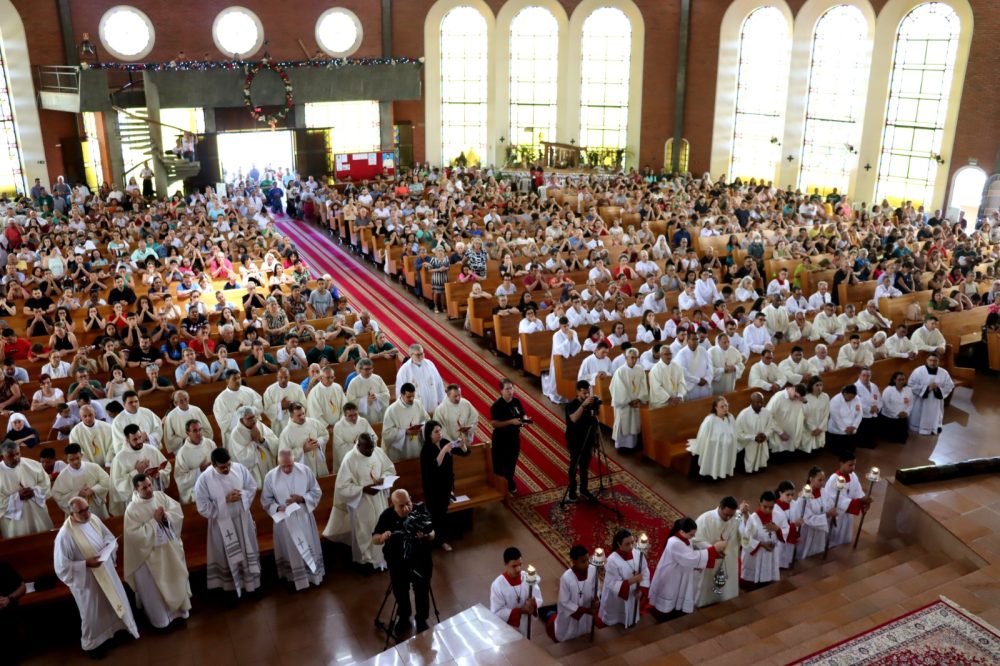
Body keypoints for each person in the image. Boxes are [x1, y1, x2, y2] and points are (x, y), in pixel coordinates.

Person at [54, 496, 139, 654]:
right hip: (88, 581)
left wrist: (107, 546)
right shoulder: (65, 535)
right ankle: (94, 645)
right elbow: (61, 567)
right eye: (81, 512)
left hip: (106, 571)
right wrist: (85, 564)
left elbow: (108, 536)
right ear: (71, 514)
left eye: (87, 509)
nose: (87, 514)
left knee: (115, 602)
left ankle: (120, 630)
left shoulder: (93, 519)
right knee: (93, 612)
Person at [123, 475, 191, 628]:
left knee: (175, 579)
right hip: (150, 557)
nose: (149, 489)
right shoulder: (132, 510)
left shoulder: (160, 496)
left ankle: (180, 613)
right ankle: (162, 621)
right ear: (135, 489)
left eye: (149, 485)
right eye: (144, 488)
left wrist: (166, 516)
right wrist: (155, 521)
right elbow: (134, 536)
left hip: (169, 550)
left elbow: (177, 513)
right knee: (156, 591)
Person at [194, 448, 262, 597]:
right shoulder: (204, 479)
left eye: (228, 465)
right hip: (222, 525)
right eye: (222, 467)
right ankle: (230, 592)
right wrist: (225, 500)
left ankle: (253, 586)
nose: (227, 469)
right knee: (227, 558)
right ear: (213, 465)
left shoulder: (239, 468)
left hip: (243, 520)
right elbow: (202, 507)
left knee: (247, 552)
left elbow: (252, 486)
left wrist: (242, 495)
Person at [328, 433, 397, 571]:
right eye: (367, 448)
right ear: (358, 445)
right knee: (365, 532)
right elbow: (342, 487)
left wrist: (383, 479)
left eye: (372, 447)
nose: (371, 450)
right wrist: (363, 489)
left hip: (379, 498)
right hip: (361, 502)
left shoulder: (377, 451)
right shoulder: (349, 459)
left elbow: (389, 469)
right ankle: (367, 562)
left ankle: (382, 560)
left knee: (381, 526)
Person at [372, 489, 435, 635]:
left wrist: (426, 535)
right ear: (393, 505)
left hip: (421, 559)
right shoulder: (387, 515)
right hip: (398, 561)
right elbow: (374, 538)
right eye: (401, 506)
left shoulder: (419, 509)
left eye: (408, 503)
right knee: (400, 591)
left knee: (422, 590)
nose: (406, 508)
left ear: (411, 499)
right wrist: (382, 537)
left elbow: (432, 533)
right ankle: (404, 618)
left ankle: (421, 619)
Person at [262, 449, 325, 591]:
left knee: (307, 545)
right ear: (278, 462)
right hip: (285, 522)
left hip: (303, 518)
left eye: (289, 465)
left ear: (294, 460)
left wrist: (302, 498)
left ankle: (312, 577)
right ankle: (293, 579)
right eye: (283, 466)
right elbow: (266, 501)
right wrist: (277, 508)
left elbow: (316, 491)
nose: (286, 469)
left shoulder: (305, 471)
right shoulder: (270, 477)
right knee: (291, 550)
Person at [649, 517, 724, 614]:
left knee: (678, 591)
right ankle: (664, 611)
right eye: (691, 534)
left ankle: (675, 609)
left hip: (681, 569)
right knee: (671, 592)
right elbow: (690, 557)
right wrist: (714, 549)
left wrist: (715, 554)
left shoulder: (685, 538)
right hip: (672, 574)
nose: (693, 536)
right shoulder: (674, 542)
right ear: (681, 531)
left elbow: (688, 555)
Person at [420, 419, 469, 551]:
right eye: (436, 431)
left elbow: (464, 453)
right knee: (437, 514)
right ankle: (440, 541)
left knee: (443, 512)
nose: (440, 433)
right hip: (433, 487)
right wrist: (444, 450)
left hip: (446, 484)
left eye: (440, 430)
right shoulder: (426, 450)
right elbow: (435, 465)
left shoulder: (444, 442)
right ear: (429, 434)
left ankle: (445, 536)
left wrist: (462, 445)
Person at [110, 424, 171, 515]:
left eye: (139, 437)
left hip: (155, 496)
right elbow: (118, 484)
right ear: (127, 440)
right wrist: (136, 472)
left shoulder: (152, 449)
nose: (139, 441)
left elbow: (167, 466)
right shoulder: (120, 458)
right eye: (134, 439)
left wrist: (159, 474)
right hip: (135, 503)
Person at [693, 496, 743, 607]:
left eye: (731, 515)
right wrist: (713, 549)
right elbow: (697, 540)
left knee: (726, 585)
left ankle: (725, 597)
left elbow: (744, 524)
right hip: (711, 559)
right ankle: (705, 601)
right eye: (726, 514)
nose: (728, 518)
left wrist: (746, 515)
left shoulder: (735, 516)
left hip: (728, 558)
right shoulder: (705, 519)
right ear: (720, 507)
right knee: (708, 583)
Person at [0, 439, 54, 537]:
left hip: (37, 512)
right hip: (14, 521)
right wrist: (17, 497)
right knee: (20, 543)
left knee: (43, 538)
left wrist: (35, 491)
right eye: (10, 455)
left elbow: (45, 483)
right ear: (2, 457)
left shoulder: (33, 465)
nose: (16, 458)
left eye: (17, 454)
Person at [550, 544, 600, 642]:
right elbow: (564, 602)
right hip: (573, 615)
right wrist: (585, 611)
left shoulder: (593, 570)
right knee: (570, 637)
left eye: (588, 560)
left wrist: (596, 599)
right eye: (583, 561)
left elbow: (597, 588)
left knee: (586, 631)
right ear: (574, 561)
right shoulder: (566, 578)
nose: (587, 564)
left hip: (588, 611)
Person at [599, 529, 649, 628]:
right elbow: (613, 583)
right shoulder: (612, 561)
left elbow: (645, 571)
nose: (631, 547)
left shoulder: (638, 554)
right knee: (618, 617)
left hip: (634, 593)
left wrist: (641, 590)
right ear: (619, 544)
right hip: (618, 597)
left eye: (632, 542)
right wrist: (633, 580)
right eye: (627, 544)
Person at [490, 546, 543, 635]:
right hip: (508, 629)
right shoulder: (497, 585)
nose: (518, 569)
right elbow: (497, 612)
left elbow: (538, 598)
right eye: (514, 566)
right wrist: (521, 611)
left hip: (526, 624)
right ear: (505, 564)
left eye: (520, 565)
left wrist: (534, 603)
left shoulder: (528, 577)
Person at [824, 452, 872, 548]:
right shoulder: (834, 479)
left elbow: (858, 492)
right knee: (833, 541)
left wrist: (864, 501)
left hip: (848, 515)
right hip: (837, 515)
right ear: (841, 464)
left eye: (854, 465)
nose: (853, 468)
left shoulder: (853, 476)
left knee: (844, 539)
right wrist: (859, 502)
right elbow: (835, 500)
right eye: (850, 465)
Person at [489, 377, 529, 495]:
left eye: (511, 388)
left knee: (512, 462)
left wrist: (525, 420)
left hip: (514, 438)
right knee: (499, 464)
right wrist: (511, 422)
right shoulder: (497, 406)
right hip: (500, 440)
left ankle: (509, 481)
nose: (510, 391)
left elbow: (523, 414)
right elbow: (494, 423)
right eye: (507, 389)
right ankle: (498, 485)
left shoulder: (516, 402)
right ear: (501, 391)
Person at [52, 443, 111, 518]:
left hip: (96, 507)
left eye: (77, 458)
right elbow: (58, 495)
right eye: (71, 460)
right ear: (66, 458)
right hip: (78, 511)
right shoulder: (63, 476)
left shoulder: (93, 467)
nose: (75, 462)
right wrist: (77, 494)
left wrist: (92, 490)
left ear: (81, 455)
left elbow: (106, 480)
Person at [738, 491, 785, 584]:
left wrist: (777, 530)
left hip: (771, 553)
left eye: (771, 507)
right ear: (759, 503)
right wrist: (761, 544)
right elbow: (745, 539)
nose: (768, 510)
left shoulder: (778, 516)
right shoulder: (752, 519)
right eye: (765, 507)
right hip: (756, 556)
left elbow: (785, 532)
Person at [564, 380, 600, 502]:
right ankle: (572, 491)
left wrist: (595, 406)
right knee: (574, 467)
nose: (587, 395)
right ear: (578, 392)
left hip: (588, 439)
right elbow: (573, 418)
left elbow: (595, 418)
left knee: (584, 467)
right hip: (575, 440)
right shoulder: (571, 405)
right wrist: (583, 406)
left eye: (588, 392)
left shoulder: (589, 403)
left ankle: (584, 489)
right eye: (584, 393)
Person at [688, 396, 739, 480]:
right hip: (713, 446)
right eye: (722, 406)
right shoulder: (710, 420)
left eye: (726, 405)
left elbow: (734, 431)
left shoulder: (730, 417)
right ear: (716, 408)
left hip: (726, 446)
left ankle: (722, 473)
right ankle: (711, 475)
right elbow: (703, 436)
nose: (725, 408)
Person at [229, 406, 279, 487]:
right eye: (249, 418)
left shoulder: (259, 425)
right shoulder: (236, 434)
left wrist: (261, 439)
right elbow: (242, 457)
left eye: (254, 417)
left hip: (269, 465)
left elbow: (275, 441)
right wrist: (254, 443)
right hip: (254, 472)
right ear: (241, 420)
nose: (253, 420)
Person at [212, 371, 264, 447]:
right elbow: (222, 421)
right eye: (234, 379)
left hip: (253, 430)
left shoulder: (248, 391)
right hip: (235, 436)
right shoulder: (221, 399)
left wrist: (248, 409)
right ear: (227, 381)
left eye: (239, 378)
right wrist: (237, 412)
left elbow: (259, 405)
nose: (238, 381)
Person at [609, 348, 648, 450]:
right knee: (623, 423)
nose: (634, 360)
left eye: (636, 358)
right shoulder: (620, 371)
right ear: (626, 358)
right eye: (632, 357)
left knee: (633, 423)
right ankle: (621, 446)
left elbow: (643, 385)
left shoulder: (640, 369)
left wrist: (639, 398)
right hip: (624, 404)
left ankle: (632, 445)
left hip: (635, 402)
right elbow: (617, 388)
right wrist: (628, 401)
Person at [907, 352, 955, 435]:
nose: (932, 363)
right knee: (919, 413)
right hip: (921, 401)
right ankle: (919, 427)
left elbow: (949, 385)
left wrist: (938, 389)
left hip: (936, 401)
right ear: (927, 360)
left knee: (935, 414)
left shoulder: (943, 372)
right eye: (931, 360)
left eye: (935, 361)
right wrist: (927, 388)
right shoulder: (919, 371)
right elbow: (911, 384)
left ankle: (934, 427)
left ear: (938, 361)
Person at [279, 402, 330, 478]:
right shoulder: (286, 433)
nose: (302, 417)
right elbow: (284, 456)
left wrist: (318, 442)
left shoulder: (313, 422)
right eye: (299, 415)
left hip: (319, 465)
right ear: (291, 416)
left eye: (303, 413)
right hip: (302, 471)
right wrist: (303, 449)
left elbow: (325, 434)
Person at [382, 382, 430, 462]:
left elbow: (427, 420)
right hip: (401, 449)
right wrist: (405, 432)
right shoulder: (391, 410)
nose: (411, 399)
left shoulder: (418, 404)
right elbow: (387, 434)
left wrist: (421, 428)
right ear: (401, 395)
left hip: (416, 444)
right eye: (408, 397)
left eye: (413, 396)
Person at [797, 466, 836, 560]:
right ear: (811, 479)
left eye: (823, 480)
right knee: (807, 555)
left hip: (820, 530)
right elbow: (807, 518)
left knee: (819, 552)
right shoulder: (803, 497)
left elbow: (830, 505)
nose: (822, 483)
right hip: (808, 532)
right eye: (819, 480)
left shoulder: (824, 492)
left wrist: (832, 512)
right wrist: (827, 515)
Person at [395, 344, 446, 416]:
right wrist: (404, 410)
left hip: (432, 405)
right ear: (411, 355)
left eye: (422, 354)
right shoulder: (404, 370)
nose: (421, 356)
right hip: (415, 409)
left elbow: (439, 384)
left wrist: (443, 402)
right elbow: (400, 392)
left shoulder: (430, 365)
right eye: (417, 355)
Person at [174, 419, 214, 503]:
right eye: (195, 431)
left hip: (213, 480)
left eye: (200, 429)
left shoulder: (210, 443)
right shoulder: (182, 453)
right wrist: (199, 470)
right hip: (195, 486)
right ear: (188, 433)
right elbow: (180, 478)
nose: (198, 433)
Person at [161, 390, 213, 454]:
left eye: (186, 399)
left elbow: (208, 430)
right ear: (175, 403)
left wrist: (197, 437)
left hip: (201, 445)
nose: (185, 402)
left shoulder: (197, 410)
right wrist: (185, 440)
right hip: (183, 449)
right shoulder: (171, 416)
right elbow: (169, 438)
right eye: (181, 401)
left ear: (188, 399)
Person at [735, 393, 775, 473]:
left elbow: (770, 426)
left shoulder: (766, 412)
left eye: (762, 402)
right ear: (751, 402)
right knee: (746, 467)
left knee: (762, 464)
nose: (760, 405)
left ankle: (760, 466)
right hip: (748, 443)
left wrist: (765, 435)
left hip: (762, 442)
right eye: (757, 402)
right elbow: (737, 433)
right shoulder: (743, 415)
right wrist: (754, 437)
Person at [332, 401, 378, 469]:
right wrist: (359, 445)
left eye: (355, 414)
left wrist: (366, 443)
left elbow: (373, 437)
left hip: (365, 458)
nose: (354, 418)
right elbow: (339, 448)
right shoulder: (338, 426)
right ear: (345, 415)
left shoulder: (363, 421)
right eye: (350, 416)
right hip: (349, 460)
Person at [263, 367, 308, 436]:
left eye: (286, 377)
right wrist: (280, 406)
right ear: (277, 377)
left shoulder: (297, 388)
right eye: (281, 377)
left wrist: (293, 406)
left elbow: (304, 404)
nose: (283, 380)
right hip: (279, 425)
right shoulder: (270, 391)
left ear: (289, 377)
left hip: (296, 423)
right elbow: (267, 409)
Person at [345, 358, 391, 424]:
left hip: (379, 414)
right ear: (360, 369)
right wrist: (365, 401)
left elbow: (386, 394)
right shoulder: (354, 383)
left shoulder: (377, 378)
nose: (369, 371)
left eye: (371, 369)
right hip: (364, 417)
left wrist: (377, 397)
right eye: (366, 369)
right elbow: (350, 401)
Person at [766, 384, 807, 453]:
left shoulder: (799, 398)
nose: (796, 399)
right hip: (779, 436)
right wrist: (780, 432)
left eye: (799, 398)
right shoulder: (778, 397)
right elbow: (767, 416)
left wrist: (803, 400)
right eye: (795, 396)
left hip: (792, 438)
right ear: (793, 388)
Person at [827, 384, 863, 453]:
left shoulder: (856, 398)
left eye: (853, 397)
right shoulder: (835, 400)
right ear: (845, 393)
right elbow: (836, 418)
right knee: (839, 452)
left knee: (851, 450)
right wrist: (845, 429)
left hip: (851, 429)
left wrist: (854, 426)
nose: (852, 399)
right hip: (837, 430)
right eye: (850, 397)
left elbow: (859, 414)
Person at [880, 371, 914, 442]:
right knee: (892, 439)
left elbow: (911, 403)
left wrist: (906, 412)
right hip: (890, 418)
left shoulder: (908, 390)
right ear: (894, 380)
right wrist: (897, 413)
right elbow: (886, 405)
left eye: (903, 379)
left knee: (903, 438)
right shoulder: (888, 390)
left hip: (903, 417)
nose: (901, 381)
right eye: (899, 380)